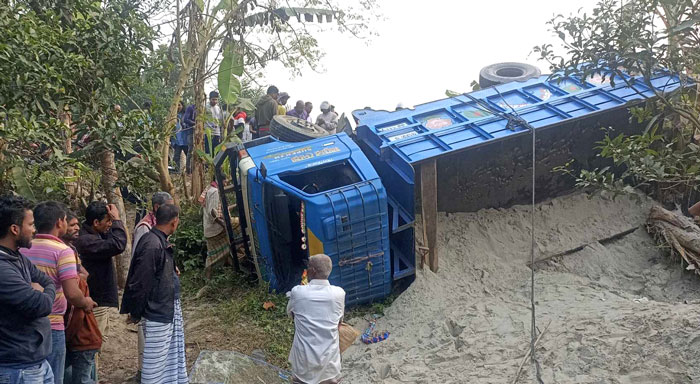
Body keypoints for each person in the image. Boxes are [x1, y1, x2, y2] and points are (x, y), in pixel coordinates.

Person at [21, 202, 97, 384]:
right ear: (59, 222)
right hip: (53, 324)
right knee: (54, 377)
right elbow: (72, 293)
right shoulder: (63, 251)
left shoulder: (23, 247)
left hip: (25, 321)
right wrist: (85, 302)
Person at [121, 204, 188, 384]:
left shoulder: (158, 240)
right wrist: (135, 312)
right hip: (157, 311)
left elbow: (156, 270)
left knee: (170, 356)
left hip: (166, 307)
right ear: (174, 222)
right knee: (155, 362)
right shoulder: (152, 244)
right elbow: (141, 282)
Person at [0, 195, 56, 383]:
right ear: (14, 229)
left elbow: (48, 281)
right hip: (16, 369)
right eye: (31, 224)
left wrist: (41, 288)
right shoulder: (3, 269)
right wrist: (40, 292)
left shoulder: (18, 257)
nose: (34, 230)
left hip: (36, 363)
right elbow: (41, 305)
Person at [74, 202, 127, 373]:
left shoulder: (93, 234)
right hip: (94, 301)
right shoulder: (87, 241)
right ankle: (90, 377)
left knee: (94, 343)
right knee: (92, 343)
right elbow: (117, 244)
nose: (110, 224)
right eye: (108, 221)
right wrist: (118, 220)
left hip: (96, 299)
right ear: (96, 223)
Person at [131, 192, 174, 379]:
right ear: (157, 207)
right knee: (146, 333)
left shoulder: (158, 229)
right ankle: (143, 371)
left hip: (158, 288)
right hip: (147, 288)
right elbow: (140, 261)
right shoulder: (145, 229)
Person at [287, 254, 345, 384]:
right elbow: (339, 322)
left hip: (304, 365)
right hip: (329, 365)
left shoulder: (298, 292)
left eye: (308, 267)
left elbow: (290, 314)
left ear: (312, 271)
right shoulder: (339, 294)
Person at [62, 212, 101, 384]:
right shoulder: (66, 252)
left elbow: (75, 311)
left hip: (82, 338)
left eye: (77, 224)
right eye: (72, 225)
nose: (77, 228)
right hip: (81, 338)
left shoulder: (71, 251)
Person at [202, 179, 230, 279]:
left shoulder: (209, 189)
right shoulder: (214, 192)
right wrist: (223, 225)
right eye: (224, 181)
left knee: (214, 253)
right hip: (215, 228)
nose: (226, 183)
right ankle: (207, 277)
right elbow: (213, 212)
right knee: (212, 255)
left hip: (209, 227)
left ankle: (227, 266)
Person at [172, 102, 188, 174]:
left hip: (185, 139)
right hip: (177, 140)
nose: (178, 107)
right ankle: (177, 171)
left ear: (182, 106)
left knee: (188, 155)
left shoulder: (185, 115)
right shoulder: (173, 116)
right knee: (176, 157)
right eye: (176, 105)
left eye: (179, 105)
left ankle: (189, 171)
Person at [183, 103, 197, 174]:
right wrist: (195, 123)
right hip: (191, 131)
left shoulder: (203, 108)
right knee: (191, 150)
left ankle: (196, 169)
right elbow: (185, 119)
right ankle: (189, 170)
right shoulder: (190, 108)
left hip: (199, 132)